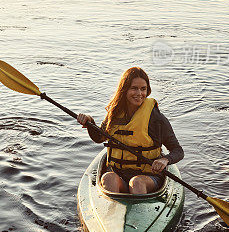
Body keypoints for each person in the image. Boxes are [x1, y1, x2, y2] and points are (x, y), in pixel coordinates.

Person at [77, 67, 183, 195]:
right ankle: (113, 212)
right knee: (108, 178)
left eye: (143, 89)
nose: (139, 93)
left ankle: (141, 213)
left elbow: (178, 150)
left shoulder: (156, 118)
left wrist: (165, 160)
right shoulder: (115, 114)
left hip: (148, 177)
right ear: (124, 89)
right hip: (118, 174)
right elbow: (99, 138)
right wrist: (89, 122)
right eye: (134, 88)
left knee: (137, 182)